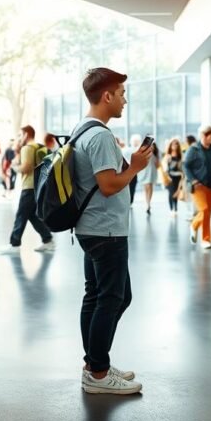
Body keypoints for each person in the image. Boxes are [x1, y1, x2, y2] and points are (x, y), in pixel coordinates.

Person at [70, 67, 151, 395]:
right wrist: (135, 167)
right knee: (113, 297)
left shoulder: (81, 129)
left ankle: (95, 363)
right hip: (105, 231)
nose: (124, 100)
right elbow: (107, 185)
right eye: (121, 94)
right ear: (106, 96)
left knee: (98, 295)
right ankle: (99, 374)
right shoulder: (101, 135)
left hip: (91, 228)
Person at [4, 126, 55, 253]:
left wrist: (14, 166)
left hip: (29, 186)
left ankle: (14, 244)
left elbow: (26, 168)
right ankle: (48, 239)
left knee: (21, 214)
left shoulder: (27, 148)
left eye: (20, 135)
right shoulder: (40, 147)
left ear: (26, 134)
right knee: (32, 215)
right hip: (40, 186)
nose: (18, 138)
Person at [184, 124, 211, 249]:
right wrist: (193, 180)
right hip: (198, 186)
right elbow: (185, 165)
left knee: (208, 213)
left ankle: (203, 237)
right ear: (203, 136)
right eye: (210, 136)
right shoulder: (193, 149)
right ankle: (197, 229)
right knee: (204, 210)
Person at [163, 138, 184, 216]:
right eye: (173, 144)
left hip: (178, 178)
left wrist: (182, 175)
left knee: (176, 193)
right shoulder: (168, 156)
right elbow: (166, 169)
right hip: (169, 177)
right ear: (170, 145)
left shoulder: (180, 156)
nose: (175, 145)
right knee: (171, 193)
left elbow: (181, 168)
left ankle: (176, 209)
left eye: (176, 144)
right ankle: (171, 209)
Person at [138, 142, 160, 214]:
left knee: (150, 186)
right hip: (144, 171)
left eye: (152, 146)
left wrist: (156, 158)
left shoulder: (156, 154)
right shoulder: (144, 154)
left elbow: (157, 166)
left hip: (152, 171)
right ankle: (147, 202)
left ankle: (148, 203)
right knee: (146, 187)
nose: (151, 147)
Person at [123, 135, 141, 206]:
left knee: (132, 186)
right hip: (129, 171)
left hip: (133, 171)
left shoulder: (137, 150)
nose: (136, 143)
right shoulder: (127, 150)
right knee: (129, 186)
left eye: (137, 141)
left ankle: (130, 201)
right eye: (134, 141)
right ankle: (129, 201)